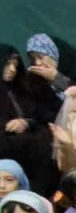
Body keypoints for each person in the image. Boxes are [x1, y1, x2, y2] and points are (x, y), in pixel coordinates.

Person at [0, 45, 60, 196]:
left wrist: (27, 122)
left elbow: (48, 114)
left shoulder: (25, 86)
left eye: (15, 64)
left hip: (36, 146)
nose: (12, 69)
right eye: (7, 64)